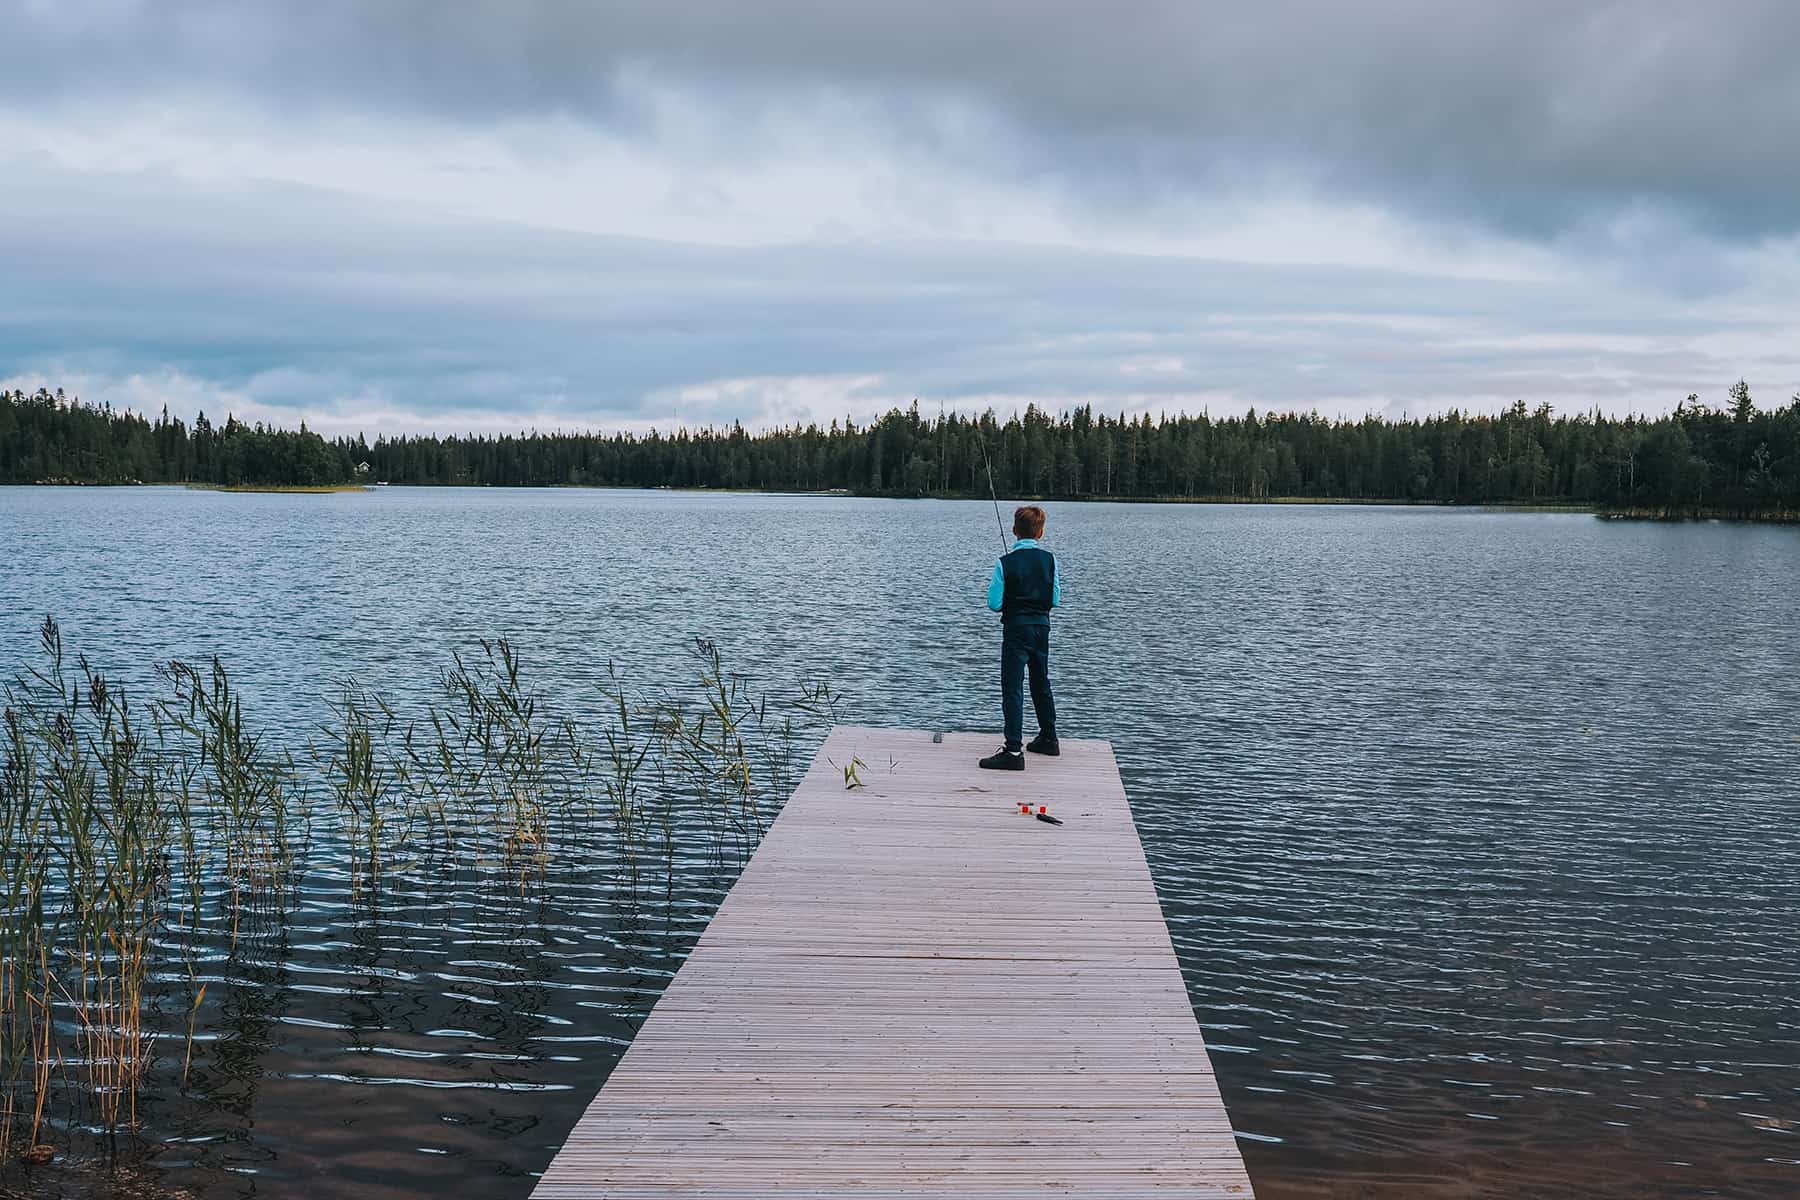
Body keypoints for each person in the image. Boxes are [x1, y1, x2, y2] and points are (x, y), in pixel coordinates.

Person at [979, 505, 1061, 770]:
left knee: (1013, 687)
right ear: (1041, 532)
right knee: (1041, 682)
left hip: (1016, 630)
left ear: (1014, 530)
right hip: (1041, 628)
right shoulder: (1050, 560)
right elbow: (1055, 599)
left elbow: (994, 603)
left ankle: (1013, 751)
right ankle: (1049, 738)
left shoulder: (1004, 563)